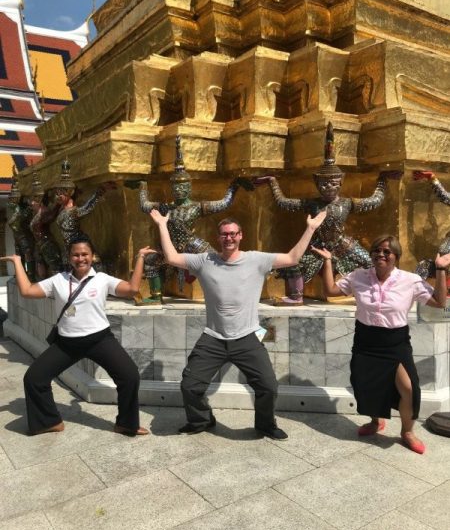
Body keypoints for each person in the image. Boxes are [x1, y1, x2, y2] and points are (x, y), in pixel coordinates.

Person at [150, 207, 327, 440]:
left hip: (248, 337)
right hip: (213, 337)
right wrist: (163, 225)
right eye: (224, 234)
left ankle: (265, 425)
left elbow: (292, 258)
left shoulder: (256, 260)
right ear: (218, 237)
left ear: (241, 235)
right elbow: (172, 258)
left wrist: (310, 228)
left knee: (268, 387)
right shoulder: (205, 261)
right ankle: (201, 419)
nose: (229, 238)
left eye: (233, 233)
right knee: (190, 386)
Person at [1, 235, 154, 436]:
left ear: (92, 256)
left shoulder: (102, 279)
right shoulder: (59, 280)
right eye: (76, 254)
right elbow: (28, 291)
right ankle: (48, 422)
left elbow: (132, 289)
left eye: (85, 254)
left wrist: (140, 257)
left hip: (100, 339)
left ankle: (126, 423)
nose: (80, 258)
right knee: (34, 378)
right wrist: (18, 263)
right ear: (69, 256)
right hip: (67, 344)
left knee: (130, 376)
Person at [312, 235, 450, 454]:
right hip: (366, 340)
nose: (381, 254)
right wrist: (328, 261)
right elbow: (330, 291)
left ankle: (407, 432)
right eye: (377, 250)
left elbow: (439, 302)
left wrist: (441, 270)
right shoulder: (359, 276)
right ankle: (376, 421)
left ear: (396, 256)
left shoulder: (410, 280)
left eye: (387, 251)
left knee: (409, 389)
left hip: (395, 342)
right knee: (366, 386)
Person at [256, 122, 400, 299]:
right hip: (317, 247)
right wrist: (273, 183)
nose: (328, 187)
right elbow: (283, 203)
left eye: (332, 182)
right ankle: (296, 296)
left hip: (343, 245)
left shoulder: (347, 203)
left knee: (372, 263)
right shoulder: (311, 203)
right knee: (291, 265)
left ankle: (375, 294)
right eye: (323, 183)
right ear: (316, 183)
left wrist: (382, 180)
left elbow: (375, 201)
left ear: (340, 182)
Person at [138, 135, 254, 302]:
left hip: (191, 244)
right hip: (170, 247)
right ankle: (156, 295)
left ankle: (228, 293)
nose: (178, 190)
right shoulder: (165, 207)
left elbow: (224, 204)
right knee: (150, 260)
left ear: (189, 188)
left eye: (182, 186)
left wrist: (234, 186)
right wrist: (142, 186)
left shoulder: (197, 207)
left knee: (217, 260)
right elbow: (144, 205)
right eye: (176, 187)